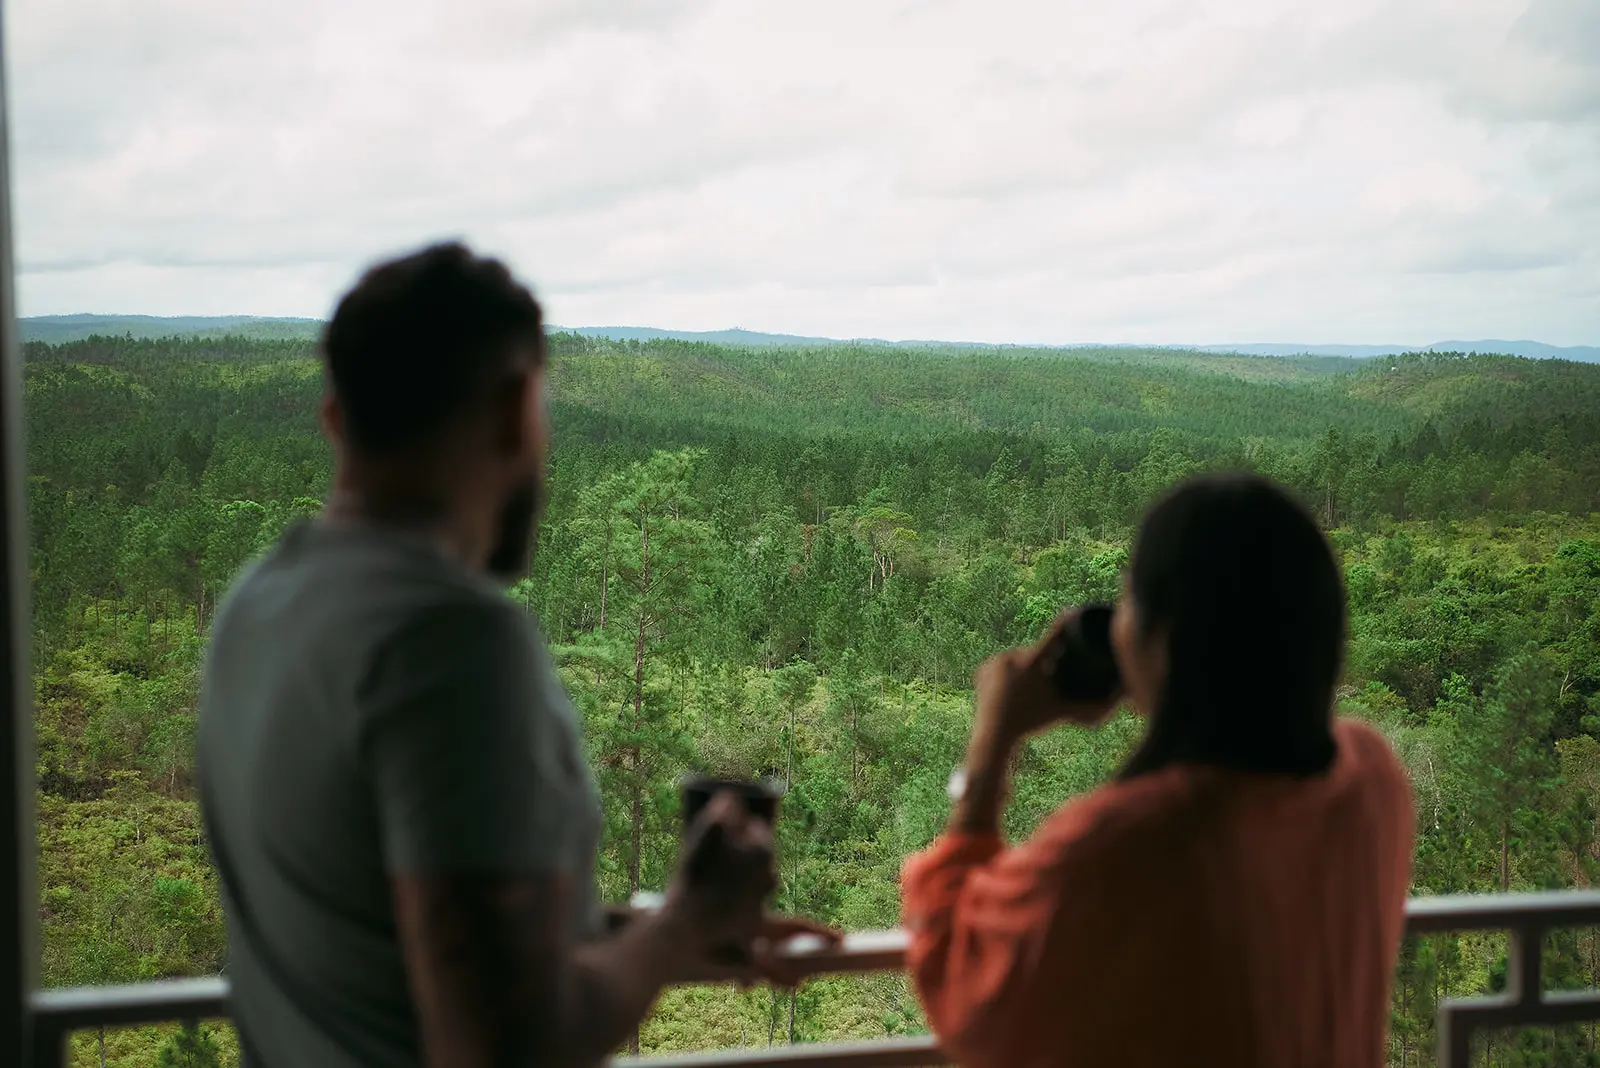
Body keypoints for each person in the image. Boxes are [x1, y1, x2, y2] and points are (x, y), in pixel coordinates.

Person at [198, 243, 798, 1068]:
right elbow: (503, 1045)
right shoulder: (449, 640)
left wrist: (658, 931)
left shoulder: (258, 603)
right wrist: (682, 927)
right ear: (517, 408)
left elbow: (400, 932)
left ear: (336, 419)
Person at [902, 473, 1414, 1068]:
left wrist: (992, 745)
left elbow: (963, 990)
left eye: (1128, 603)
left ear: (1161, 639)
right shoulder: (1370, 780)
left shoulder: (1127, 840)